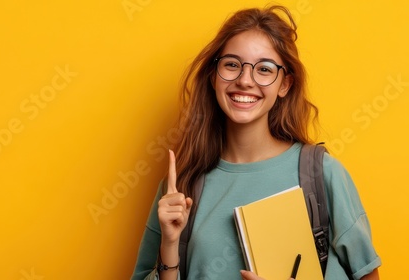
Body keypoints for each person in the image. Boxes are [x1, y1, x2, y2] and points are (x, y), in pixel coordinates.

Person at [131, 5, 381, 280]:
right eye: (232, 65)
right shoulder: (182, 186)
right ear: (214, 75)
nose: (245, 80)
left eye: (264, 69)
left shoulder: (321, 174)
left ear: (284, 85)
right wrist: (169, 246)